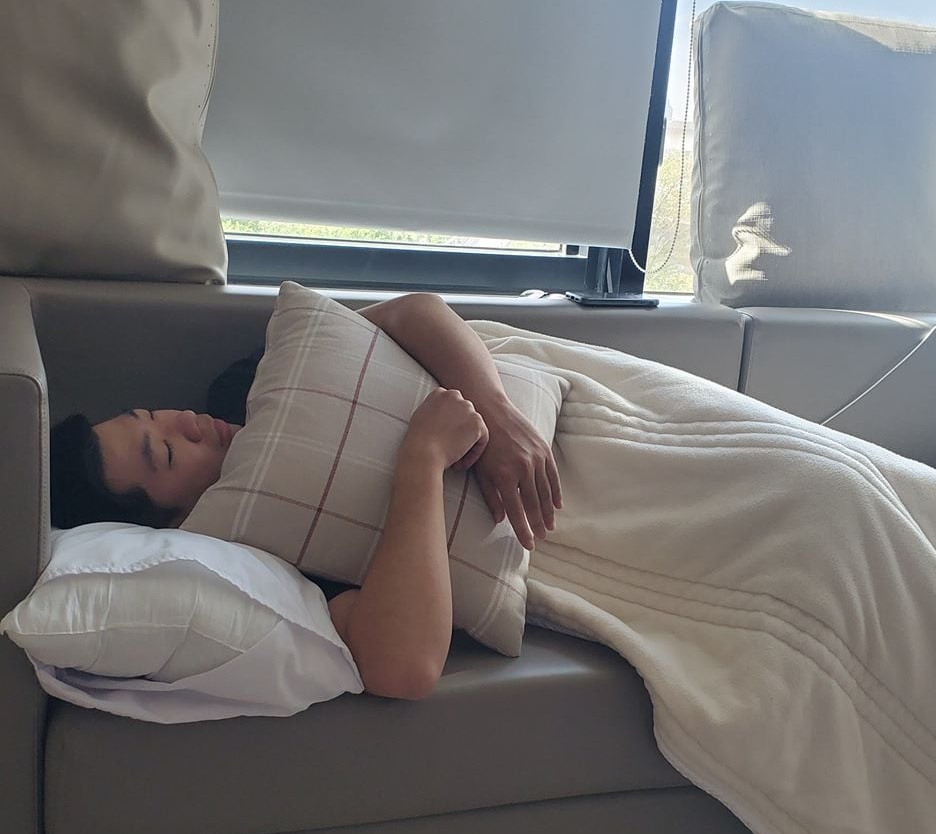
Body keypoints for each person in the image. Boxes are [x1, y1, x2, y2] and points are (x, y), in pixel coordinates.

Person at [49, 293, 563, 700]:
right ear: (172, 527)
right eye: (166, 453)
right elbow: (405, 666)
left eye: (151, 415)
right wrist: (423, 461)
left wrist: (497, 414)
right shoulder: (267, 551)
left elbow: (412, 312)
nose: (185, 420)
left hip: (549, 419)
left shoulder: (242, 391)